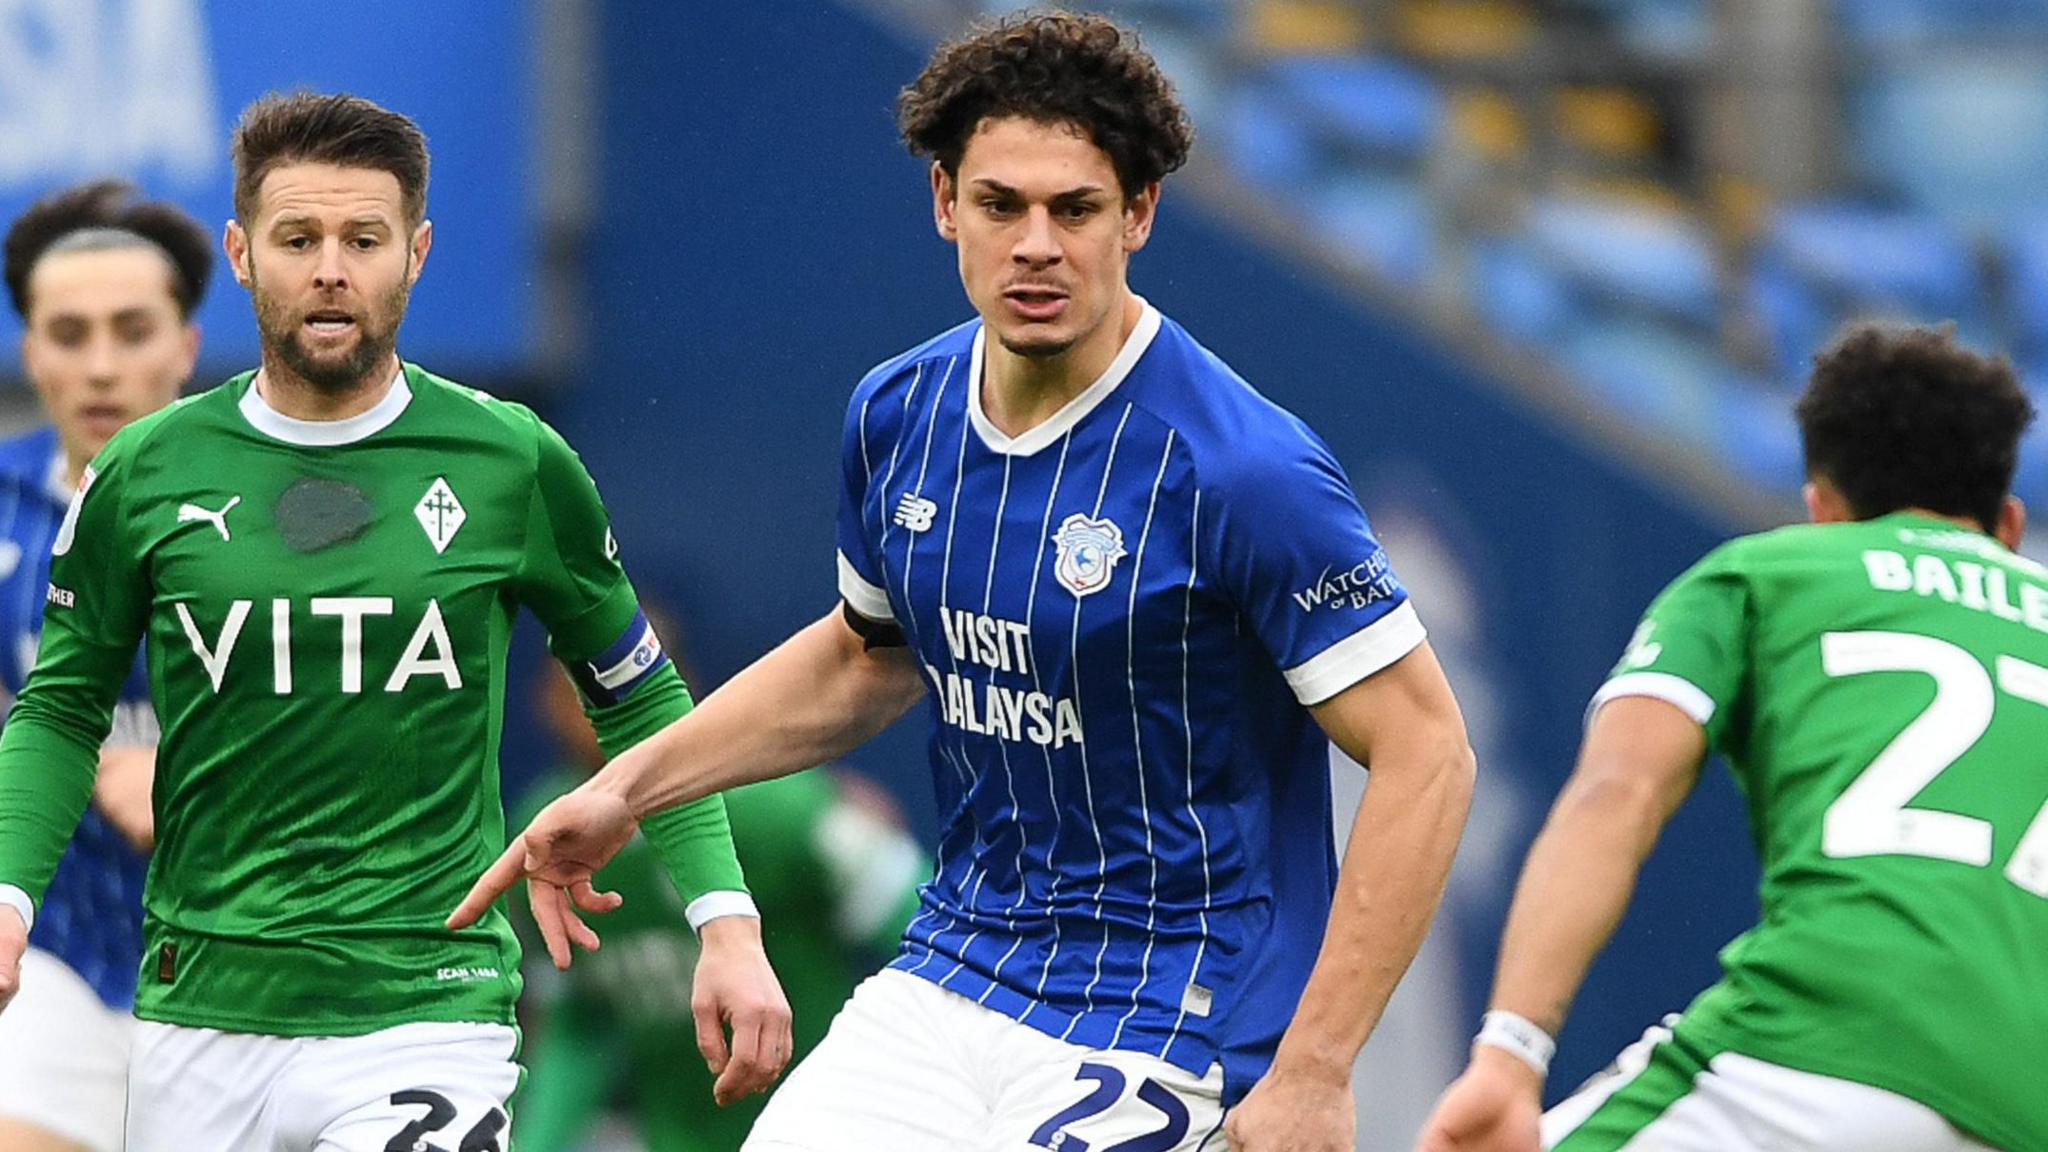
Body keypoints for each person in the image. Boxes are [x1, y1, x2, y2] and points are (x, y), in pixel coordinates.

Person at [456, 13, 1476, 1152]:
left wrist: (1316, 1071)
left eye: (1074, 209)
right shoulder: (899, 414)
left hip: (1172, 1007)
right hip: (957, 968)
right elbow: (860, 661)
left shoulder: (1241, 468)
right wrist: (624, 788)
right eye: (1000, 206)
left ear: (1137, 215)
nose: (1035, 244)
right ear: (945, 203)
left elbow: (1426, 751)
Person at [0, 92, 791, 1152]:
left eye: (362, 239)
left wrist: (722, 921)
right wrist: (8, 897)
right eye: (298, 238)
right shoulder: (146, 471)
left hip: (426, 1006)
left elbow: (638, 693)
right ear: (240, 253)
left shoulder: (510, 459)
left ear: (415, 253)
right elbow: (60, 709)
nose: (331, 267)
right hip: (201, 1010)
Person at [1416, 324, 2044, 1152]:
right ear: (2008, 522)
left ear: (1823, 506)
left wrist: (1510, 1056)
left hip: (1819, 1053)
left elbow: (1617, 794)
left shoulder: (1767, 574)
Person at [514, 607, 929, 1152]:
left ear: (674, 685)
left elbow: (929, 938)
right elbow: (579, 1022)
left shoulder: (782, 808)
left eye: (610, 680)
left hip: (832, 1130)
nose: (587, 704)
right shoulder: (546, 839)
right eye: (571, 682)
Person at [0, 180, 209, 1152]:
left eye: (132, 331)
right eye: (68, 333)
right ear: (31, 350)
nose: (100, 367)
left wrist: (192, 786)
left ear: (186, 346)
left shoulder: (284, 508)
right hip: (51, 959)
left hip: (247, 963)